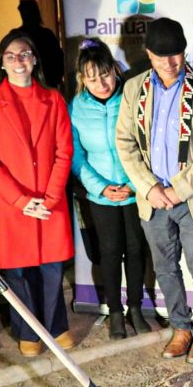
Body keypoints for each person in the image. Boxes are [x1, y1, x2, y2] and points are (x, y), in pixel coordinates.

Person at [116, 17, 193, 364]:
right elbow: (125, 142)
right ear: (149, 54)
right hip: (152, 201)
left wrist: (178, 190)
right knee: (165, 268)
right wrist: (149, 188)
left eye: (176, 55)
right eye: (162, 56)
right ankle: (181, 328)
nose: (170, 63)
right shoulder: (134, 89)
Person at [0, 30, 74, 357]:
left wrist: (50, 196)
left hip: (50, 200)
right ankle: (27, 331)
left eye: (25, 54)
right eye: (11, 56)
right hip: (10, 204)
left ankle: (57, 326)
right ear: (1, 63)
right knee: (17, 272)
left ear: (34, 60)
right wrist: (21, 201)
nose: (19, 61)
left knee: (51, 267)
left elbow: (64, 152)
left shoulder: (54, 99)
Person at [69, 38, 149, 339]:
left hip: (134, 190)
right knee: (110, 252)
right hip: (100, 195)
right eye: (92, 78)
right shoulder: (76, 108)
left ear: (114, 70)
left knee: (136, 249)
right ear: (83, 80)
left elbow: (146, 147)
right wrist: (101, 188)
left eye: (105, 74)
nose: (100, 83)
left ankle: (136, 308)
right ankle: (115, 312)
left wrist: (131, 185)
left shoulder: (132, 98)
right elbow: (76, 156)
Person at [15, 0, 65, 89]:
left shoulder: (46, 34)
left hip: (47, 82)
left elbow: (58, 59)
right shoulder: (18, 35)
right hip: (28, 83)